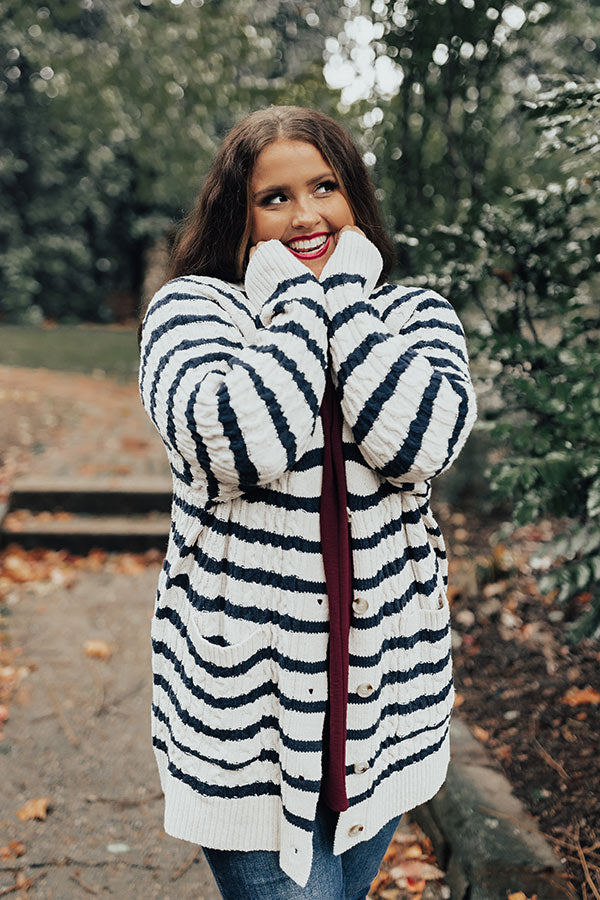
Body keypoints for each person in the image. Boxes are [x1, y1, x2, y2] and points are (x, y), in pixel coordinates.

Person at [137, 105, 478, 899]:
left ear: (354, 194)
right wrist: (296, 302)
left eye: (324, 187)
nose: (306, 216)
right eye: (275, 198)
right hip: (244, 717)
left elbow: (421, 441)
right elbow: (240, 442)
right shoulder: (193, 314)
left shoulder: (415, 315)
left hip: (383, 714)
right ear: (240, 215)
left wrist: (346, 301)